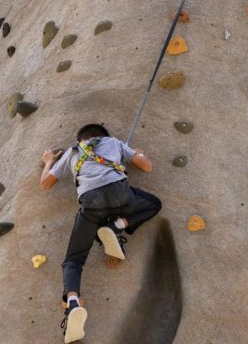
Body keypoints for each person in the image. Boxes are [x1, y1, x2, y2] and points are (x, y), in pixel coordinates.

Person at [40, 123, 162, 343]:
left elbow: (46, 183)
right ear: (104, 136)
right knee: (153, 203)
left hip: (90, 203)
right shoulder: (115, 143)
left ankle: (73, 303)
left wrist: (49, 160)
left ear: (81, 141)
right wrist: (139, 153)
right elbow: (147, 167)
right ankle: (117, 226)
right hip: (120, 195)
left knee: (73, 260)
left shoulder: (72, 152)